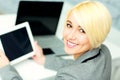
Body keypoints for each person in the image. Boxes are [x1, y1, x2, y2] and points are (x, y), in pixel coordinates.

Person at [0, 0, 112, 80]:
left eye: (82, 30)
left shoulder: (69, 77)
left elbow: (74, 73)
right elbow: (78, 66)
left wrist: (5, 68)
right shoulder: (104, 52)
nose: (70, 36)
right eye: (69, 25)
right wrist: (44, 60)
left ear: (96, 35)